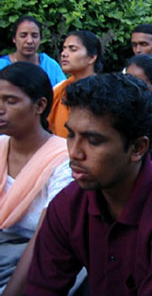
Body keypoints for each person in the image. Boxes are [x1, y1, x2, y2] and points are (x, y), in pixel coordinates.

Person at [26, 73, 152, 295]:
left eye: (94, 141)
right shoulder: (70, 203)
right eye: (71, 135)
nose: (75, 152)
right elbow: (42, 287)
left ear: (138, 148)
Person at [0, 62, 71, 295]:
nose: (0, 108)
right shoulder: (0, 147)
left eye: (11, 101)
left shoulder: (64, 159)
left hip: (35, 265)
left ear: (40, 105)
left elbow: (44, 238)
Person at [48, 30, 103, 138]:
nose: (64, 54)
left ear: (92, 57)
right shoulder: (59, 89)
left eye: (73, 49)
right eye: (64, 48)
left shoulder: (102, 92)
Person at [0, 16, 65, 87]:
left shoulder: (50, 66)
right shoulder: (2, 65)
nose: (29, 41)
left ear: (40, 39)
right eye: (23, 36)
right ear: (14, 38)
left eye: (34, 36)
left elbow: (63, 93)